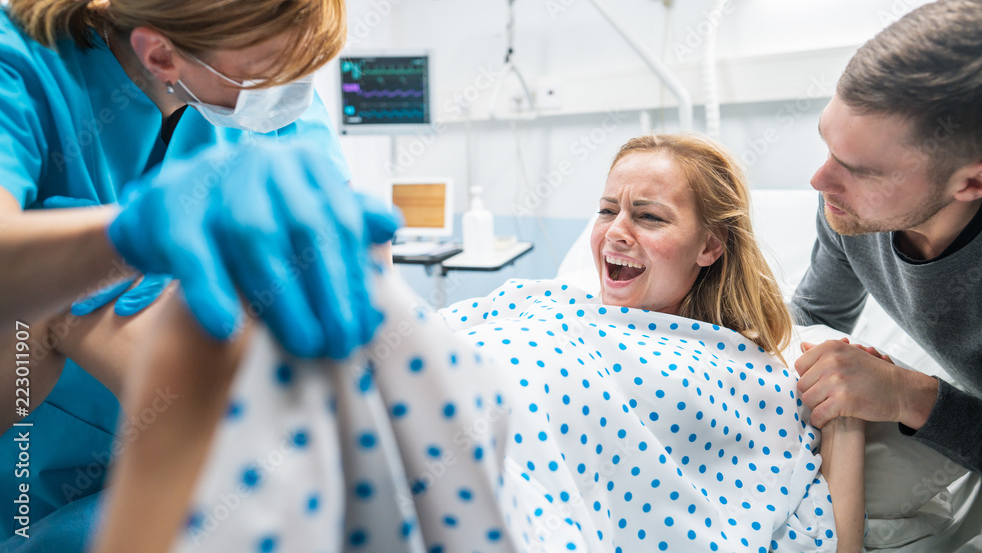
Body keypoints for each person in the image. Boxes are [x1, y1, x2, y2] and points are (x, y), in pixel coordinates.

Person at [83, 134, 866, 552]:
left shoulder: (746, 371)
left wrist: (851, 423)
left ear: (711, 247)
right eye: (606, 208)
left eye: (650, 217)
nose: (615, 232)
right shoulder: (542, 300)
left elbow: (818, 526)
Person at [0, 0, 394, 549]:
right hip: (39, 470)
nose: (294, 92)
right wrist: (121, 240)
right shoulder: (20, 65)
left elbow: (354, 258)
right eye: (269, 70)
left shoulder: (269, 92)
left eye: (304, 66)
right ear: (160, 56)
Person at [790, 0, 982, 496]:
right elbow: (814, 318)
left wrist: (910, 395)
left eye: (861, 172)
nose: (820, 181)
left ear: (973, 183)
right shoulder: (848, 210)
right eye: (827, 143)